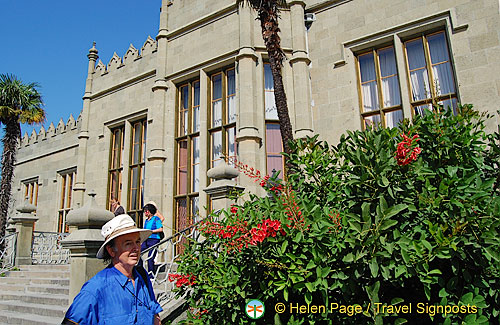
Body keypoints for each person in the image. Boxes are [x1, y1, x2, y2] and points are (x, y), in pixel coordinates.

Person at [62, 214, 163, 324]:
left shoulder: (142, 277)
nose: (136, 248)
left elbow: (155, 317)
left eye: (137, 242)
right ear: (111, 250)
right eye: (128, 243)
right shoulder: (95, 288)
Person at [141, 203, 163, 277]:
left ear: (150, 211)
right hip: (146, 239)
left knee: (150, 257)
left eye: (146, 211)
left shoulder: (156, 219)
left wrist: (152, 231)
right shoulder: (146, 221)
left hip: (154, 239)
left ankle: (151, 274)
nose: (145, 213)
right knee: (139, 252)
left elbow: (160, 229)